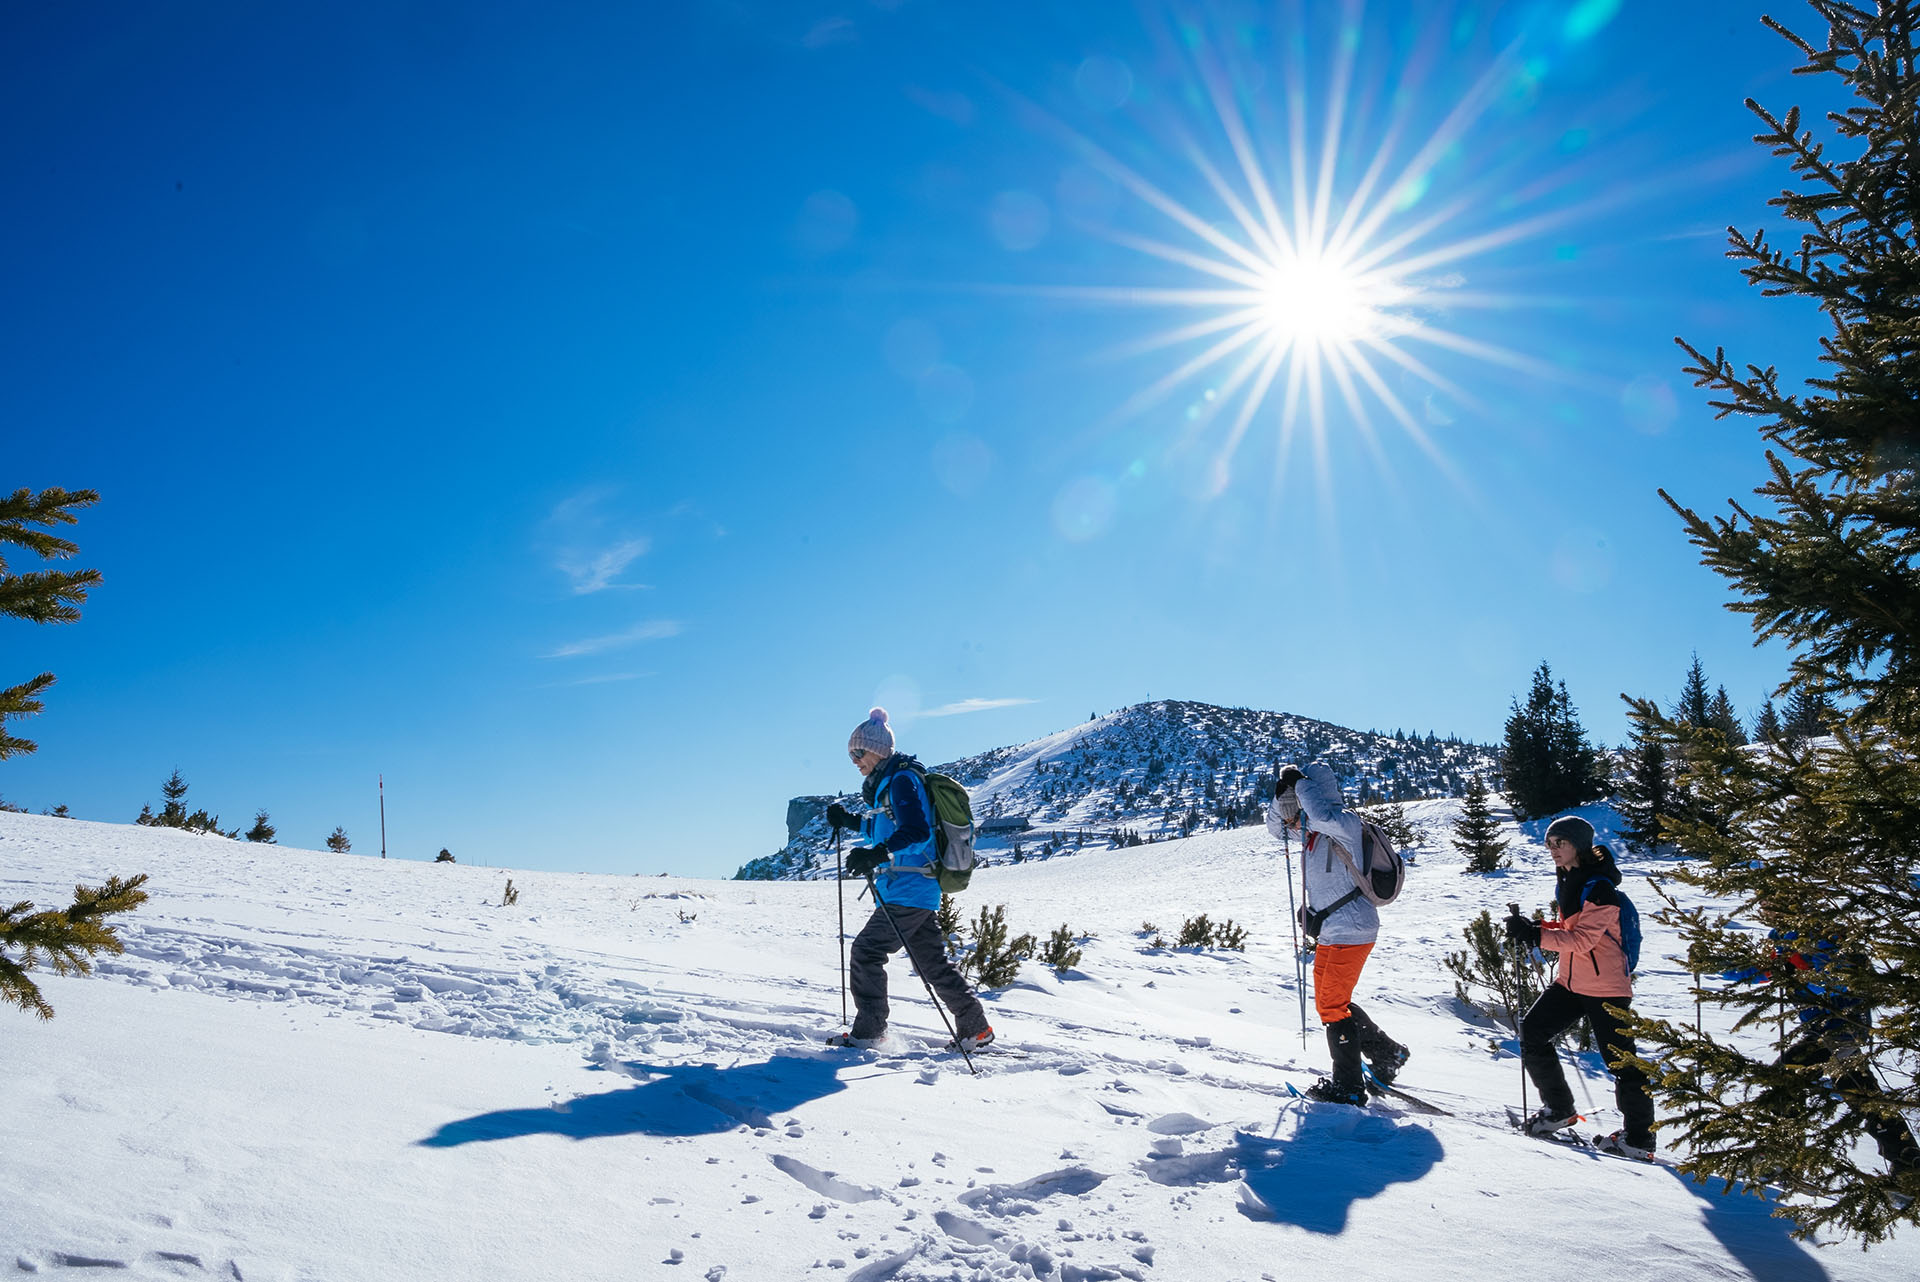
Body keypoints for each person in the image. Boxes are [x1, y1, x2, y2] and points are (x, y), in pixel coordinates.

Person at [823, 708, 993, 1053]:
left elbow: (916, 832)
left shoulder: (901, 780)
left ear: (878, 750)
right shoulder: (889, 783)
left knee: (867, 951)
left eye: (859, 753)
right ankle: (975, 1029)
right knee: (931, 963)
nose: (855, 760)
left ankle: (869, 1033)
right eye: (851, 755)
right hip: (912, 888)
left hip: (908, 889)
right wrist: (851, 822)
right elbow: (888, 826)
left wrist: (878, 853)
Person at [1504, 815, 1657, 1159]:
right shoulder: (1572, 880)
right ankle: (1559, 1109)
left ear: (1579, 845)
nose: (1554, 850)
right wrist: (1534, 926)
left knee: (1621, 1061)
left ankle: (1639, 1137)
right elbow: (1571, 927)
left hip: (1605, 986)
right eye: (1550, 844)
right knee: (1533, 1031)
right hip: (1572, 982)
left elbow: (1585, 939)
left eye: (1561, 843)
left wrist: (1537, 935)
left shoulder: (1599, 887)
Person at [1267, 762, 1409, 1106]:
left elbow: (1321, 814)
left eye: (1307, 791)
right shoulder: (1311, 833)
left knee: (1331, 1005)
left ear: (1319, 790)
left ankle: (1348, 1086)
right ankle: (1387, 1052)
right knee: (1329, 1003)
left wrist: (1300, 785)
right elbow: (1275, 830)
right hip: (1332, 930)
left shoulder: (1344, 823)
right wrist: (1280, 797)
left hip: (1354, 928)